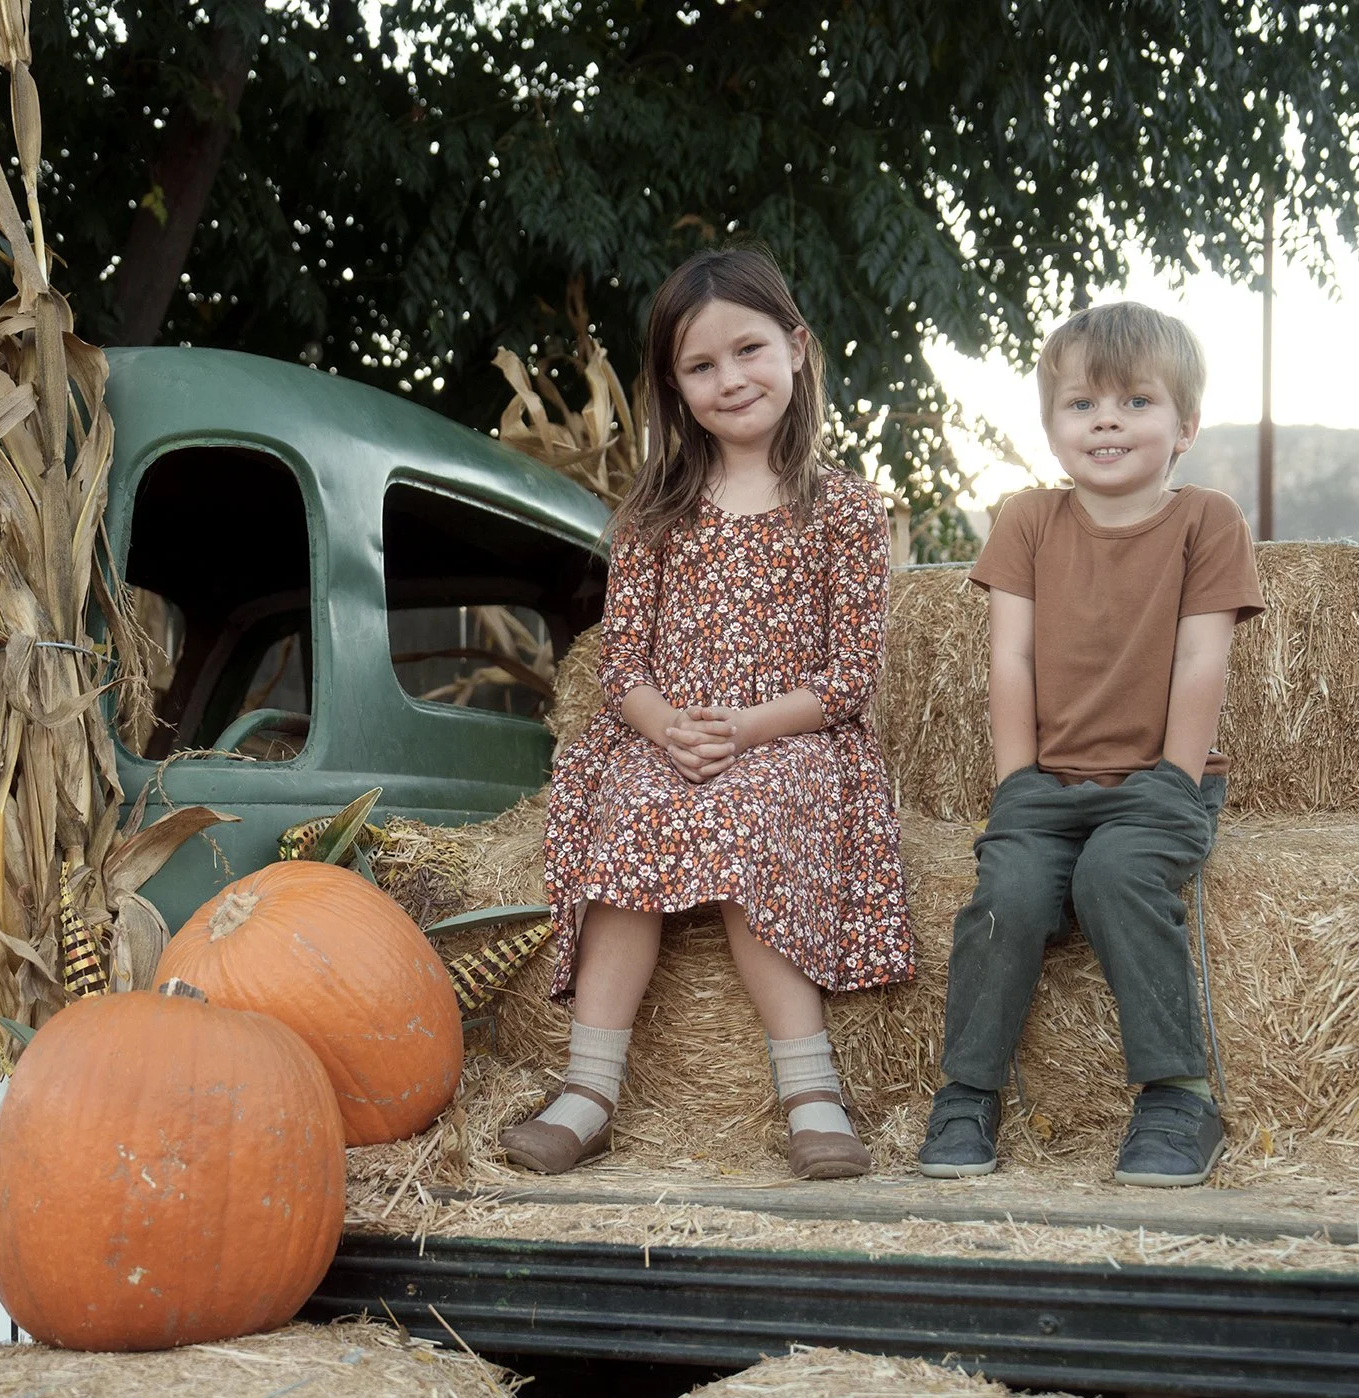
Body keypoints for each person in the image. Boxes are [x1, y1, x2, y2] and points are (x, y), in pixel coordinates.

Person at [498, 246, 915, 1181]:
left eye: (748, 350)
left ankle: (811, 1090)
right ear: (673, 387)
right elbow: (623, 669)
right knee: (632, 809)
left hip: (794, 738)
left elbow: (847, 680)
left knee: (744, 811)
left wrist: (743, 729)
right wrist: (664, 728)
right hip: (668, 735)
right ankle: (588, 1088)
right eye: (700, 365)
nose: (729, 379)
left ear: (796, 348)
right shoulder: (654, 514)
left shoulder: (843, 509)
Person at [917, 302, 1264, 1189]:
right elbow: (1010, 660)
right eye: (1081, 405)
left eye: (1135, 401)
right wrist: (1014, 785)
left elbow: (1200, 662)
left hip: (1160, 780)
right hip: (1042, 782)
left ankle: (1178, 1097)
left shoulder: (1206, 522)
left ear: (1183, 426)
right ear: (1050, 426)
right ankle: (966, 1091)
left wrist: (1173, 784)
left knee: (1115, 875)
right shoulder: (1027, 520)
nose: (1106, 419)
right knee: (1010, 888)